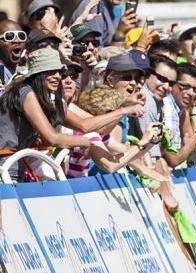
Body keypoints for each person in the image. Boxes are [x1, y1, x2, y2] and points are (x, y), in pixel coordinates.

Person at [0, 48, 144, 180]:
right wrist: (84, 142)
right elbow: (53, 138)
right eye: (51, 72)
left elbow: (85, 126)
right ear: (38, 74)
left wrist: (124, 110)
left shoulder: (46, 99)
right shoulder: (24, 91)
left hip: (16, 169)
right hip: (5, 169)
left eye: (59, 72)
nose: (58, 77)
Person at [0, 19, 25, 88]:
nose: (17, 40)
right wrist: (14, 83)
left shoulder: (22, 70)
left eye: (21, 36)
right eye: (9, 36)